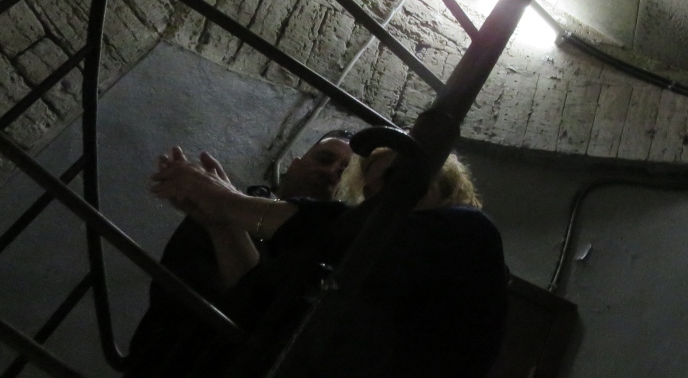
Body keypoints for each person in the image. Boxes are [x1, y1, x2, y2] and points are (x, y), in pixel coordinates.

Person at [146, 144, 507, 378]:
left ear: (447, 192)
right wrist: (221, 224)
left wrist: (227, 202)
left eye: (400, 180)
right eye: (371, 190)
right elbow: (264, 307)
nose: (383, 199)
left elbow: (349, 229)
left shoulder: (471, 234)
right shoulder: (355, 266)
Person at [125, 132, 353, 377]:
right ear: (293, 165)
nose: (331, 172)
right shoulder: (216, 209)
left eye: (344, 173)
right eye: (324, 159)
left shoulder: (326, 266)